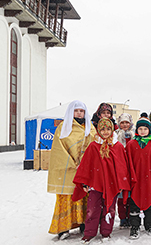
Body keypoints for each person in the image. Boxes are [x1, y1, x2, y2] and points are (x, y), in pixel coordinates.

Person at [72, 118, 134, 243]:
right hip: (96, 184)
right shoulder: (93, 146)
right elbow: (86, 165)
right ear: (98, 130)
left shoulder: (117, 146)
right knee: (92, 209)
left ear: (112, 129)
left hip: (112, 185)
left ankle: (106, 232)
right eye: (103, 129)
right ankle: (89, 233)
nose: (105, 132)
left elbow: (122, 167)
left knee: (109, 209)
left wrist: (121, 182)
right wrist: (84, 182)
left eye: (108, 129)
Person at [47, 100, 96, 240]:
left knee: (84, 197)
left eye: (81, 111)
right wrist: (73, 162)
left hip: (85, 169)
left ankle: (83, 223)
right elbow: (58, 149)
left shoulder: (90, 128)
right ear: (71, 112)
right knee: (67, 197)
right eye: (76, 111)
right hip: (68, 169)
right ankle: (63, 228)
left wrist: (86, 162)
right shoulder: (63, 127)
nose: (79, 113)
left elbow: (94, 146)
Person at [125, 113, 151, 239]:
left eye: (145, 129)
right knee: (134, 206)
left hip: (149, 180)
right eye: (140, 129)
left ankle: (150, 226)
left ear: (149, 130)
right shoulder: (131, 144)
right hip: (135, 180)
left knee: (150, 205)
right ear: (137, 130)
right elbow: (128, 162)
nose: (142, 131)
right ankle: (135, 227)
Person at [115, 113, 134, 228]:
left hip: (131, 168)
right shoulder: (115, 136)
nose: (125, 125)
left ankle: (130, 217)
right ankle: (123, 218)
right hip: (120, 168)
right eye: (122, 123)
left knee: (131, 195)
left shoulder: (134, 135)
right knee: (121, 196)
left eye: (127, 122)